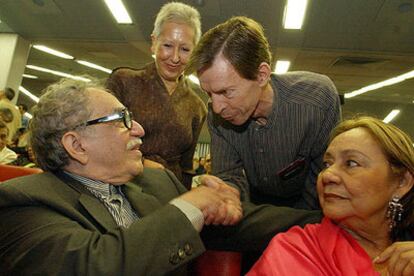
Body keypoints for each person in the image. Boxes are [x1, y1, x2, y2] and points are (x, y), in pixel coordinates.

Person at [0, 78, 322, 275]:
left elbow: (239, 224)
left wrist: (328, 223)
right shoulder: (22, 204)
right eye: (122, 118)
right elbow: (98, 265)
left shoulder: (157, 183)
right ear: (77, 145)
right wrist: (190, 205)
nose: (139, 129)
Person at [185, 16, 342, 209]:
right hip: (256, 208)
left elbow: (325, 181)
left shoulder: (317, 100)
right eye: (208, 93)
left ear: (261, 75)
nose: (216, 107)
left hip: (310, 210)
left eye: (226, 92)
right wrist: (228, 196)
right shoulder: (216, 116)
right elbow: (229, 176)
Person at [248, 116, 414, 275]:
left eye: (351, 163)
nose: (327, 175)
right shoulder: (295, 251)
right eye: (327, 164)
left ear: (402, 182)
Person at [106, 2, 207, 189]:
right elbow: (102, 139)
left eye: (185, 49)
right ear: (154, 42)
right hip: (123, 185)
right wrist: (143, 163)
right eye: (167, 45)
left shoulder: (197, 106)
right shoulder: (124, 82)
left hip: (170, 191)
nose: (175, 57)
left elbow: (186, 168)